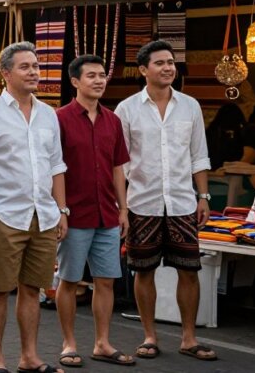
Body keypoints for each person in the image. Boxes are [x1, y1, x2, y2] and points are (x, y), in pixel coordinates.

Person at [115, 40, 215, 362]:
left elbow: (199, 155)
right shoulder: (127, 109)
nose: (168, 67)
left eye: (171, 62)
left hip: (183, 203)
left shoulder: (190, 106)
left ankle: (189, 338)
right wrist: (123, 207)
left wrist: (203, 197)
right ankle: (149, 336)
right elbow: (120, 163)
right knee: (144, 272)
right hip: (142, 203)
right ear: (143, 69)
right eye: (160, 63)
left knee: (189, 270)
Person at [0, 41, 67, 373]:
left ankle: (29, 357)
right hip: (4, 216)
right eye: (25, 67)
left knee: (32, 289)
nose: (34, 72)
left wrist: (62, 210)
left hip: (43, 215)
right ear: (6, 72)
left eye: (36, 66)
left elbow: (57, 166)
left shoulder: (48, 114)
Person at [54, 55, 134, 368]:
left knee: (106, 281)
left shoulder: (113, 120)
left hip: (108, 214)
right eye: (91, 76)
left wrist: (123, 208)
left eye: (102, 75)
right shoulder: (59, 119)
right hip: (74, 214)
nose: (99, 81)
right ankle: (68, 342)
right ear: (75, 81)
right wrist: (60, 210)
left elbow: (118, 167)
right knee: (69, 281)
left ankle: (102, 342)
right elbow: (54, 168)